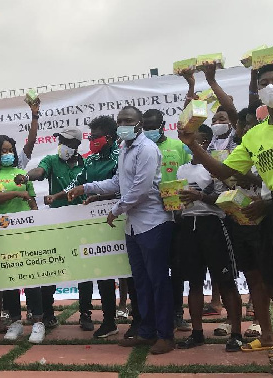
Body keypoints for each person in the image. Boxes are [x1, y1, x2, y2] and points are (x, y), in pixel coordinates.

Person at [177, 63, 273, 375]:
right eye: (265, 82)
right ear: (258, 91)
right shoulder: (255, 134)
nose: (271, 87)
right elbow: (226, 172)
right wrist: (193, 144)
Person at [68, 106, 176, 355]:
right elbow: (118, 182)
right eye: (120, 121)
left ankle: (166, 335)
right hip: (134, 227)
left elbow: (141, 188)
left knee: (158, 281)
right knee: (141, 282)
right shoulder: (125, 149)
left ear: (139, 124)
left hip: (153, 222)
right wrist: (86, 188)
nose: (123, 124)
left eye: (128, 120)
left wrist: (115, 210)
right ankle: (147, 332)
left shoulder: (147, 149)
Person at [51, 117, 136, 339]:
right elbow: (78, 183)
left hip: (120, 219)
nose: (92, 140)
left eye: (95, 136)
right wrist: (58, 195)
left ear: (109, 137)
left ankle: (138, 319)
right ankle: (108, 321)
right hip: (96, 224)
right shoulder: (91, 160)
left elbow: (123, 186)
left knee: (129, 271)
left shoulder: (122, 157)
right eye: (90, 136)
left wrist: (102, 196)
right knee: (104, 273)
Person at [174, 124, 243, 352]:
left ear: (206, 142)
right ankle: (196, 333)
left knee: (225, 281)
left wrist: (201, 196)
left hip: (213, 225)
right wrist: (174, 204)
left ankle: (235, 334)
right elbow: (176, 201)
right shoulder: (182, 169)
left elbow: (226, 197)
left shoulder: (216, 168)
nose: (194, 144)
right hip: (188, 226)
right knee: (193, 283)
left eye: (199, 140)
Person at [13, 128, 86, 329]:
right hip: (57, 222)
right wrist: (27, 177)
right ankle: (47, 312)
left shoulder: (85, 163)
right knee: (51, 268)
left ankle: (86, 314)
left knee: (84, 269)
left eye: (67, 142)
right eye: (61, 141)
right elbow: (40, 172)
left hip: (82, 221)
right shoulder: (52, 160)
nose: (62, 145)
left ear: (77, 146)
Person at [0, 134, 43, 344]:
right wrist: (16, 194)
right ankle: (15, 321)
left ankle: (38, 322)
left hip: (26, 231)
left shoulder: (21, 173)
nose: (8, 154)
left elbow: (32, 200)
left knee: (31, 274)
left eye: (10, 150)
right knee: (9, 277)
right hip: (1, 233)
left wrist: (38, 219)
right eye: (3, 151)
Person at [142, 109, 191, 333]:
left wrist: (184, 203)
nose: (149, 131)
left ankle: (178, 312)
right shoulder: (141, 148)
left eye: (153, 126)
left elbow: (191, 174)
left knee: (178, 267)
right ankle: (153, 315)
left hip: (178, 216)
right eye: (146, 127)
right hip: (151, 217)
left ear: (163, 125)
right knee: (154, 270)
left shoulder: (178, 146)